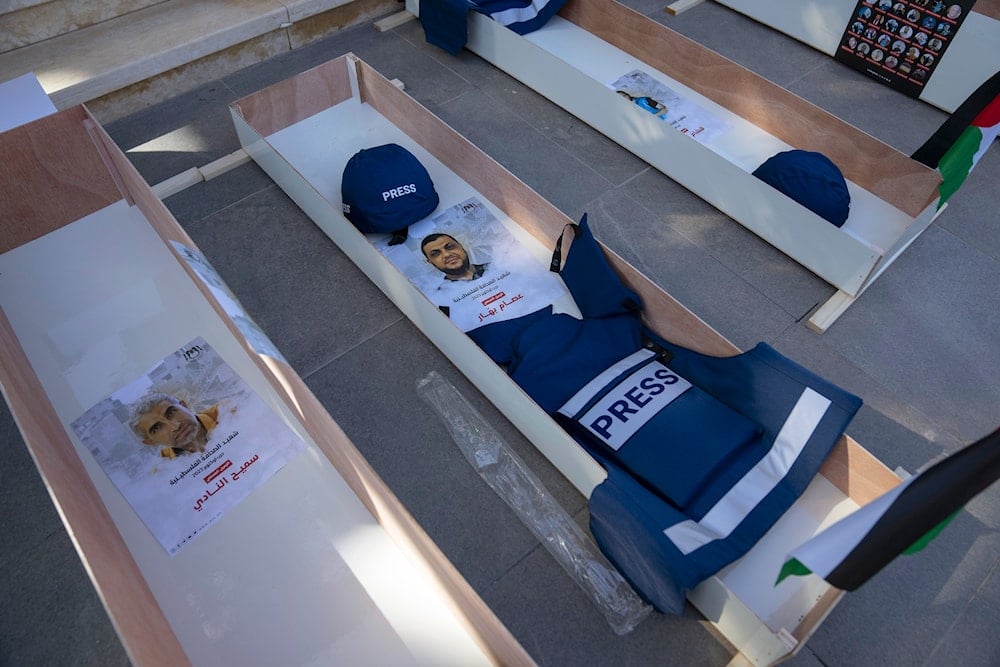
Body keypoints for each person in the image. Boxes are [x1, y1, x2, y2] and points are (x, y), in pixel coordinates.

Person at [130, 393, 219, 458]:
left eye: (171, 412)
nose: (175, 426)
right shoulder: (164, 472)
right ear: (150, 442)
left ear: (184, 405)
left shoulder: (229, 411)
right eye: (157, 428)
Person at [421, 233, 488, 281]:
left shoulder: (493, 268)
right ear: (430, 261)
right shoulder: (440, 295)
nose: (446, 254)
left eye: (450, 247)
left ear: (461, 246)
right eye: (435, 254)